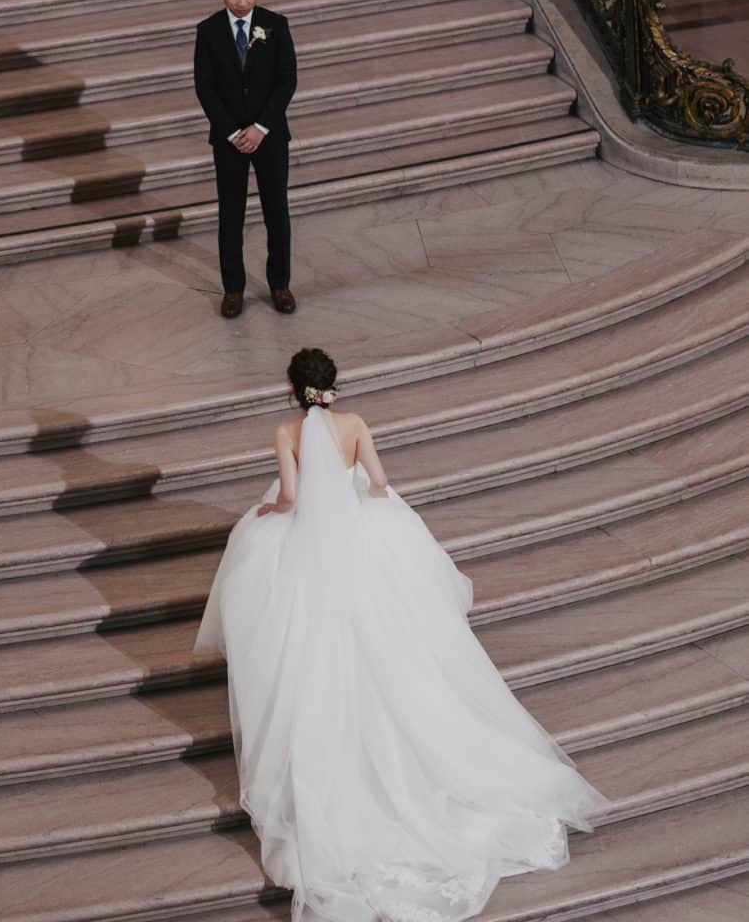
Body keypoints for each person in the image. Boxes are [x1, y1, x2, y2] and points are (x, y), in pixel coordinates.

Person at [193, 348, 612, 922]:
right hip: (361, 543)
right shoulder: (355, 425)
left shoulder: (286, 430)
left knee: (296, 637)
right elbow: (381, 483)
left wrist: (269, 516)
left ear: (293, 390)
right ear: (333, 387)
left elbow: (289, 498)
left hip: (305, 551)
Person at [193, 0, 297, 319]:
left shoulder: (275, 25)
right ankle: (233, 289)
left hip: (269, 136)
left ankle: (280, 284)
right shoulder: (207, 31)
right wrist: (234, 131)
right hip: (229, 139)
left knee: (276, 212)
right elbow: (205, 88)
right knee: (230, 215)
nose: (241, 2)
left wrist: (261, 128)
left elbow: (287, 81)